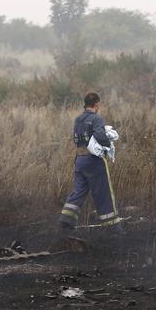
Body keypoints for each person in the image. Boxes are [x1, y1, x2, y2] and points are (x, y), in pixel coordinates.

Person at [59, 92, 120, 230]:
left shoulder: (78, 119)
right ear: (97, 104)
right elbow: (99, 135)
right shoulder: (96, 119)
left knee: (80, 190)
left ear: (85, 104)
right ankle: (113, 228)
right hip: (93, 161)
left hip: (79, 160)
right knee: (103, 192)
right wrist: (108, 143)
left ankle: (66, 219)